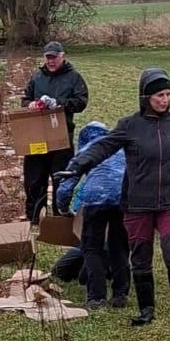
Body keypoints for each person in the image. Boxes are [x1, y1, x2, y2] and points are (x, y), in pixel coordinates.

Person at [62, 68, 170, 327]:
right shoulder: (130, 126)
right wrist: (77, 165)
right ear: (145, 96)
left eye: (168, 94)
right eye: (159, 95)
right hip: (138, 205)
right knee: (140, 257)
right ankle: (146, 310)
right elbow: (102, 147)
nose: (165, 100)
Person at [55, 122, 130, 309]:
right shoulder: (120, 147)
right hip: (123, 200)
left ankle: (97, 298)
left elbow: (67, 183)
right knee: (119, 247)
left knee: (92, 248)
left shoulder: (88, 149)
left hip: (95, 199)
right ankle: (121, 294)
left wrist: (63, 210)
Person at [20, 42, 88, 224]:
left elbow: (81, 101)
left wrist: (59, 104)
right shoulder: (37, 76)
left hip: (61, 138)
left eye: (54, 57)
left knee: (61, 179)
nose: (51, 61)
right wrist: (30, 104)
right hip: (37, 136)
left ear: (62, 56)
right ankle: (35, 218)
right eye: (48, 57)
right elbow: (25, 99)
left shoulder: (73, 77)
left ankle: (60, 218)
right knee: (34, 179)